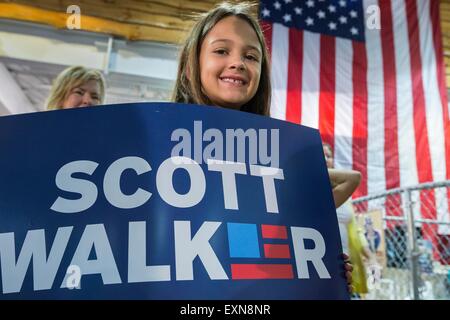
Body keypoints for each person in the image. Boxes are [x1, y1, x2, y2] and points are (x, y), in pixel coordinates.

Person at [172, 1, 354, 292]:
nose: (238, 63)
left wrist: (317, 266)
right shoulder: (151, 144)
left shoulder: (282, 158)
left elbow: (280, 240)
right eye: (221, 50)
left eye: (251, 56)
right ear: (191, 65)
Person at [323, 143, 370, 296]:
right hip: (322, 261)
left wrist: (371, 256)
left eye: (328, 156)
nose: (325, 159)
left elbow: (357, 230)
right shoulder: (314, 193)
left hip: (346, 262)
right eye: (321, 155)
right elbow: (354, 177)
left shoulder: (343, 193)